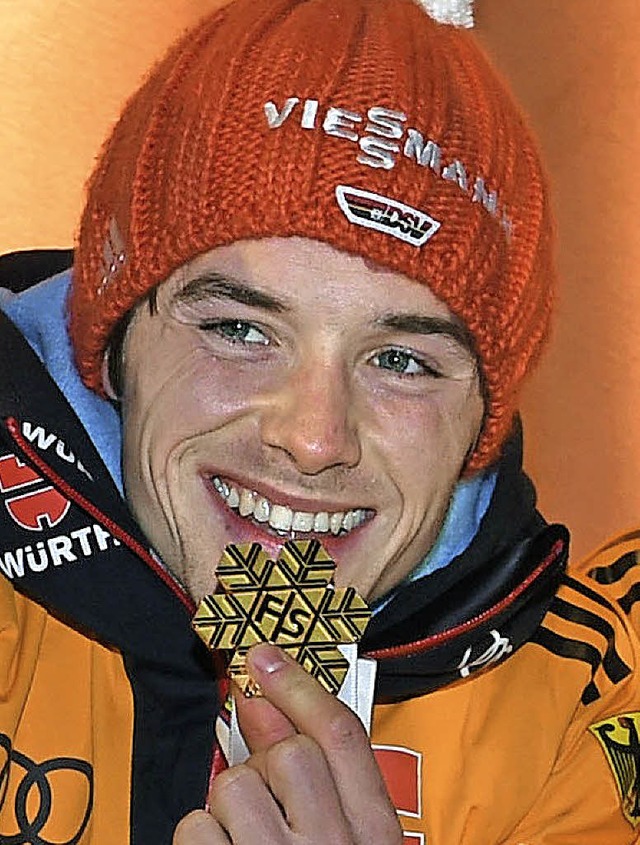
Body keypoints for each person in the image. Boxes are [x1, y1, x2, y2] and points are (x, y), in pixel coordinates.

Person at [0, 0, 639, 841]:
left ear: (482, 420)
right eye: (240, 330)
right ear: (111, 344)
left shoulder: (577, 698)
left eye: (402, 360)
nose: (313, 437)